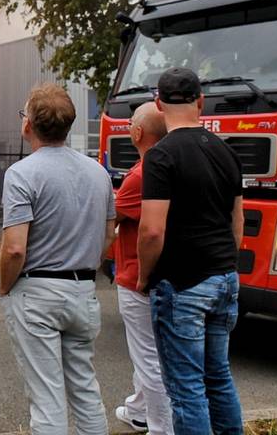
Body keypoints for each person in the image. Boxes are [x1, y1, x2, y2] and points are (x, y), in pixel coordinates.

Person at [0, 83, 115, 435]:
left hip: (37, 292)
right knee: (85, 390)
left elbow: (15, 248)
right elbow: (108, 235)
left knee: (47, 398)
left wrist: (5, 286)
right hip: (82, 290)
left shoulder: (21, 174)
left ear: (29, 124)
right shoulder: (98, 172)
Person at [136, 67, 244, 435]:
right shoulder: (226, 151)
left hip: (182, 283)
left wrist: (144, 275)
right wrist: (225, 263)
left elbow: (152, 230)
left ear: (158, 104)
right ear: (201, 101)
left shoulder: (161, 156)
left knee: (186, 389)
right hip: (224, 277)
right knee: (219, 377)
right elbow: (237, 221)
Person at [113, 102, 173, 435]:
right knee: (151, 350)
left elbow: (114, 215)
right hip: (171, 271)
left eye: (129, 124)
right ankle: (138, 410)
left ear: (137, 133)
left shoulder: (140, 175)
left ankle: (161, 427)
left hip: (137, 274)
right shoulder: (172, 164)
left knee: (149, 356)